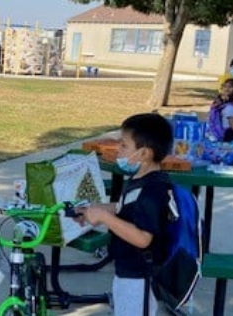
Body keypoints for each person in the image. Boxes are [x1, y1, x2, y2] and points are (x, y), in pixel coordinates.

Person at [77, 113, 173, 316]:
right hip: (127, 271)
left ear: (144, 153)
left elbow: (143, 238)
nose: (118, 150)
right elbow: (124, 206)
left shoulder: (153, 191)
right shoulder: (140, 179)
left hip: (140, 278)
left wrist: (104, 218)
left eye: (124, 145)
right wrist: (92, 209)